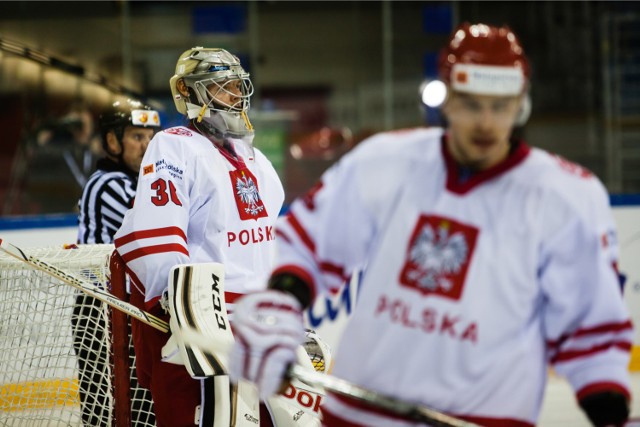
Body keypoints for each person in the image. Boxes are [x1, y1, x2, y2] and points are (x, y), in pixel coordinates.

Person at [227, 23, 633, 427]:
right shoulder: (385, 163)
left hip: (484, 418)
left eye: (500, 106)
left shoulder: (566, 197)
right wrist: (279, 305)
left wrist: (608, 413)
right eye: (472, 104)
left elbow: (590, 322)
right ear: (448, 98)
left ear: (521, 104)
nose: (486, 123)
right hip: (362, 416)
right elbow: (311, 244)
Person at [113, 48, 285, 427]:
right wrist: (187, 312)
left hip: (260, 325)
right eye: (221, 87)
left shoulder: (254, 156)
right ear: (189, 94)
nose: (235, 96)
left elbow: (267, 240)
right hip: (209, 326)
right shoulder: (174, 145)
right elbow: (158, 230)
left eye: (237, 86)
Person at [73, 99, 161, 426]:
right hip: (101, 311)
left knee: (142, 408)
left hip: (127, 307)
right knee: (104, 413)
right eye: (137, 137)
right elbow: (150, 228)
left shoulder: (138, 182)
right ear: (112, 141)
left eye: (152, 137)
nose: (147, 145)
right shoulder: (107, 183)